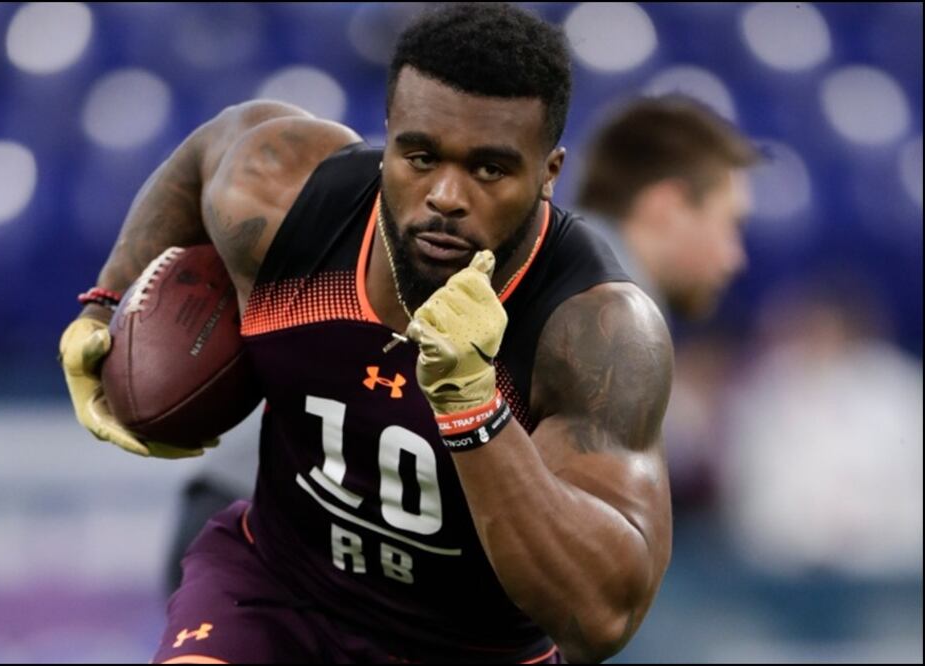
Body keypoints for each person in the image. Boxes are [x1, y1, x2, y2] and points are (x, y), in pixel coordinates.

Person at [59, 4, 673, 663]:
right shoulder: (284, 198)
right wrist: (107, 299)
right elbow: (207, 153)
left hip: (468, 648)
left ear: (548, 172)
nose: (444, 194)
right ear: (388, 137)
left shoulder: (594, 330)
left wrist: (472, 406)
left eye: (488, 169)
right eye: (419, 156)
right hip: (275, 589)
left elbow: (602, 615)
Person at [574, 95, 758, 321]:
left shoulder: (551, 270)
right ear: (669, 207)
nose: (736, 260)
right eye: (731, 224)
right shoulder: (615, 318)